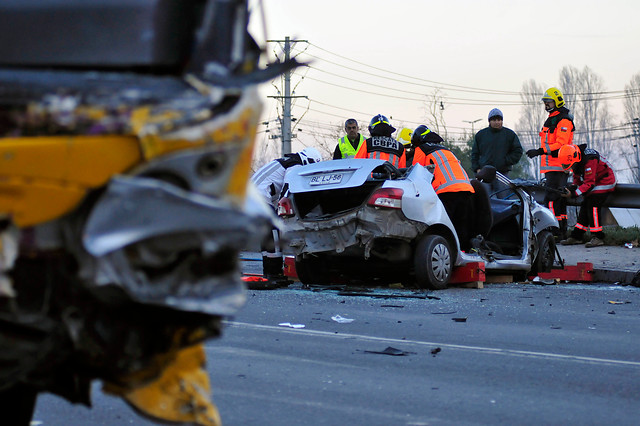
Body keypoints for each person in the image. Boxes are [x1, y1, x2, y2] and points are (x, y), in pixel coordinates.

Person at [251, 147, 323, 281]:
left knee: (267, 235)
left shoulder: (286, 161)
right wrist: (281, 211)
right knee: (274, 234)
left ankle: (269, 272)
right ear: (308, 161)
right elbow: (287, 187)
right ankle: (274, 273)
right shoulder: (295, 165)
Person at [411, 124, 475, 251]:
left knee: (445, 226)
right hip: (466, 188)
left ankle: (448, 254)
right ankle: (464, 253)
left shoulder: (421, 149)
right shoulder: (446, 150)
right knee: (461, 225)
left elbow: (416, 172)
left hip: (446, 191)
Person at [526, 87, 575, 238]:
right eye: (545, 102)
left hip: (559, 167)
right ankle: (559, 231)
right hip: (552, 167)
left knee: (553, 200)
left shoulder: (563, 120)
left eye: (549, 102)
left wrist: (539, 151)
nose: (546, 104)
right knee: (556, 200)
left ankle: (555, 231)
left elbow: (561, 144)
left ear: (557, 102)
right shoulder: (552, 118)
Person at [559, 144, 616, 248]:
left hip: (605, 181)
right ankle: (577, 236)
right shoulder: (576, 160)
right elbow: (577, 180)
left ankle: (598, 237)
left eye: (571, 165)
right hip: (594, 181)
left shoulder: (590, 160)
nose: (571, 167)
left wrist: (573, 194)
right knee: (585, 204)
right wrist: (572, 188)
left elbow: (589, 184)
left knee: (593, 204)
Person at [471, 108, 523, 194]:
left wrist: (506, 161)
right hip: (484, 175)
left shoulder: (510, 135)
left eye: (499, 120)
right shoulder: (481, 135)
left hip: (502, 175)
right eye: (494, 120)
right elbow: (474, 154)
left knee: (503, 201)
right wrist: (477, 169)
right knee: (485, 200)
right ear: (489, 121)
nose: (497, 122)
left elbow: (518, 151)